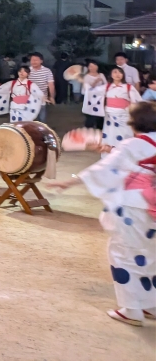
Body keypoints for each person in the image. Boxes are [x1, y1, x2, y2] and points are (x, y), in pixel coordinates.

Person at [47, 102, 156, 326]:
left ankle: (131, 309)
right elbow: (139, 159)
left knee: (123, 253)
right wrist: (110, 150)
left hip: (133, 205)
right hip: (152, 205)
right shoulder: (141, 143)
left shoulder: (132, 144)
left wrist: (70, 182)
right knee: (149, 254)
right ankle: (150, 304)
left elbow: (103, 169)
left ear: (134, 123)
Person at [98, 67, 143, 150]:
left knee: (125, 134)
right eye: (115, 72)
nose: (117, 74)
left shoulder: (128, 87)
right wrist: (81, 80)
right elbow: (92, 91)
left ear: (123, 75)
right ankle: (110, 152)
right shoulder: (107, 86)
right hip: (109, 115)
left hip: (124, 114)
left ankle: (125, 152)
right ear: (111, 74)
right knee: (110, 134)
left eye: (120, 72)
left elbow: (137, 101)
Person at [81, 59, 109, 130]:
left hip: (100, 99)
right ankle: (89, 131)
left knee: (100, 116)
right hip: (90, 100)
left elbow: (106, 85)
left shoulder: (101, 75)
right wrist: (95, 82)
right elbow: (87, 89)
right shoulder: (86, 77)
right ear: (88, 67)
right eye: (91, 66)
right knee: (91, 116)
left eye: (94, 65)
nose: (93, 67)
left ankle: (100, 130)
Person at [27, 52, 55, 122]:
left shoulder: (47, 71)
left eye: (36, 60)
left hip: (42, 98)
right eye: (32, 60)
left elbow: (51, 85)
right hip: (29, 98)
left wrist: (51, 97)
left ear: (41, 61)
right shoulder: (27, 71)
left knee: (42, 118)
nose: (34, 62)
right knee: (30, 118)